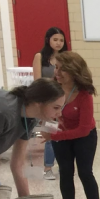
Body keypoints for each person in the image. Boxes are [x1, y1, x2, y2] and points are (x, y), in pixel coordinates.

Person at [43, 51, 100, 199]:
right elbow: (45, 115)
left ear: (74, 71)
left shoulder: (84, 94)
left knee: (85, 173)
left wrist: (54, 136)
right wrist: (47, 130)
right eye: (56, 68)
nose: (58, 73)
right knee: (66, 172)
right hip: (61, 137)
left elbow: (83, 129)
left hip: (84, 138)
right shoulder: (52, 90)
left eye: (63, 70)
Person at [32, 27, 68, 181]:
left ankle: (64, 165)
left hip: (64, 99)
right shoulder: (40, 57)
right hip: (48, 100)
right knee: (50, 133)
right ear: (48, 40)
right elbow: (38, 81)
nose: (59, 43)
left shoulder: (67, 58)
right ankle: (47, 168)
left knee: (65, 133)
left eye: (61, 40)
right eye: (55, 39)